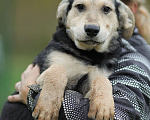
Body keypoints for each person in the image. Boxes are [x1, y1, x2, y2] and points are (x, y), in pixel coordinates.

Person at [1, 0, 150, 120]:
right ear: (64, 15)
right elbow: (40, 76)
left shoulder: (135, 60)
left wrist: (31, 93)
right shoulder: (60, 48)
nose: (92, 23)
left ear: (123, 18)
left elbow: (119, 115)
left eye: (105, 9)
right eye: (80, 7)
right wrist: (54, 77)